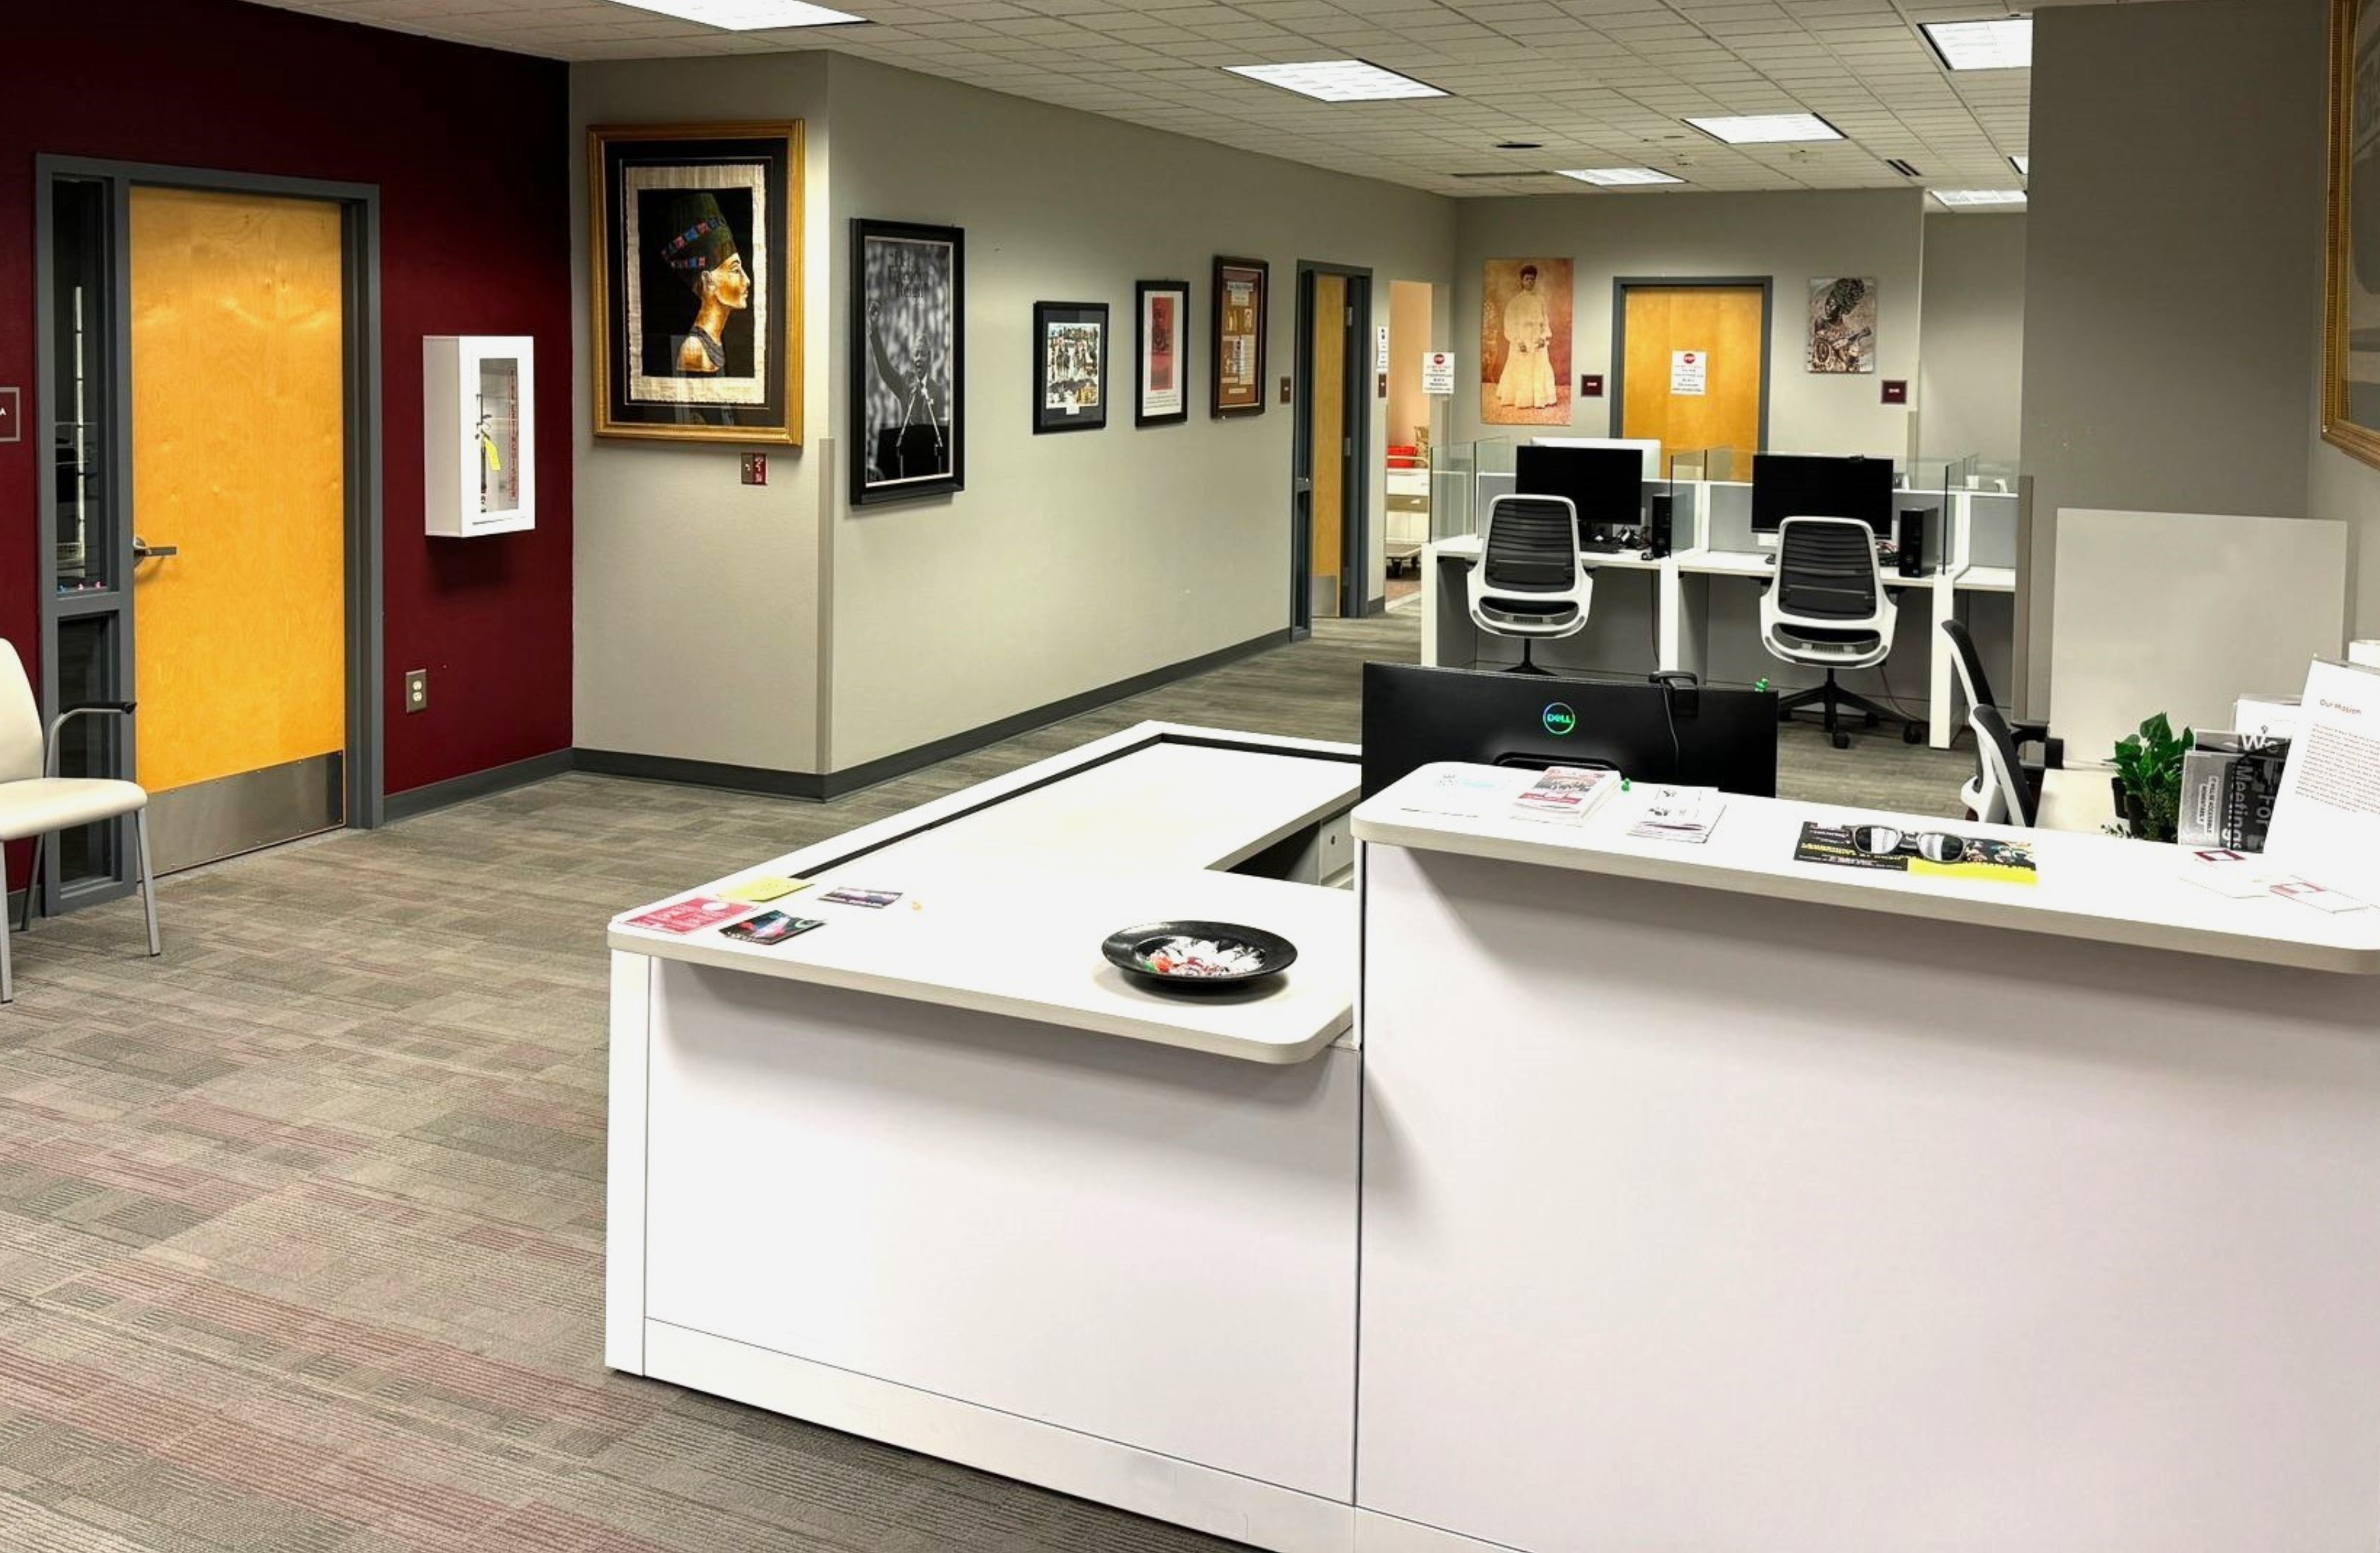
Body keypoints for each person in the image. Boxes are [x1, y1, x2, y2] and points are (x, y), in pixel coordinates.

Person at [658, 192, 749, 376]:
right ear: (708, 281)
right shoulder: (694, 350)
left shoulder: (715, 340)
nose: (747, 280)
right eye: (735, 270)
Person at [1495, 264, 1558, 411]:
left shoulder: (1540, 300)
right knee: (1522, 369)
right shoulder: (1515, 302)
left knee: (1539, 367)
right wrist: (1518, 342)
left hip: (1536, 340)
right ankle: (1522, 398)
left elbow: (1545, 322)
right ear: (1522, 281)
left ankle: (1538, 398)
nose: (1530, 282)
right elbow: (1509, 325)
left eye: (1532, 279)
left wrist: (1543, 337)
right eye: (1527, 279)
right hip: (1522, 340)